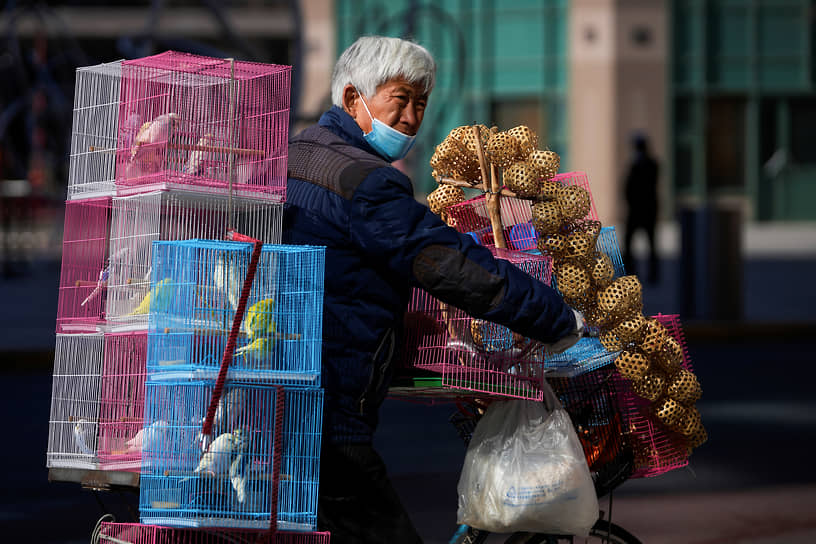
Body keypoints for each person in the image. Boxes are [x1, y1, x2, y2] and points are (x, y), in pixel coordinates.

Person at [282, 35, 584, 543]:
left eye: (420, 104)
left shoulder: (295, 154)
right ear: (354, 99)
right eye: (399, 100)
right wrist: (553, 317)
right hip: (327, 408)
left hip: (285, 388)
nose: (411, 118)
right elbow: (447, 263)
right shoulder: (366, 181)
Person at [622, 133, 660, 283]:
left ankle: (652, 274)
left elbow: (637, 186)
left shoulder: (648, 164)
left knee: (650, 243)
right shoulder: (637, 164)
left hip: (644, 209)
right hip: (638, 209)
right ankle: (631, 269)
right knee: (630, 241)